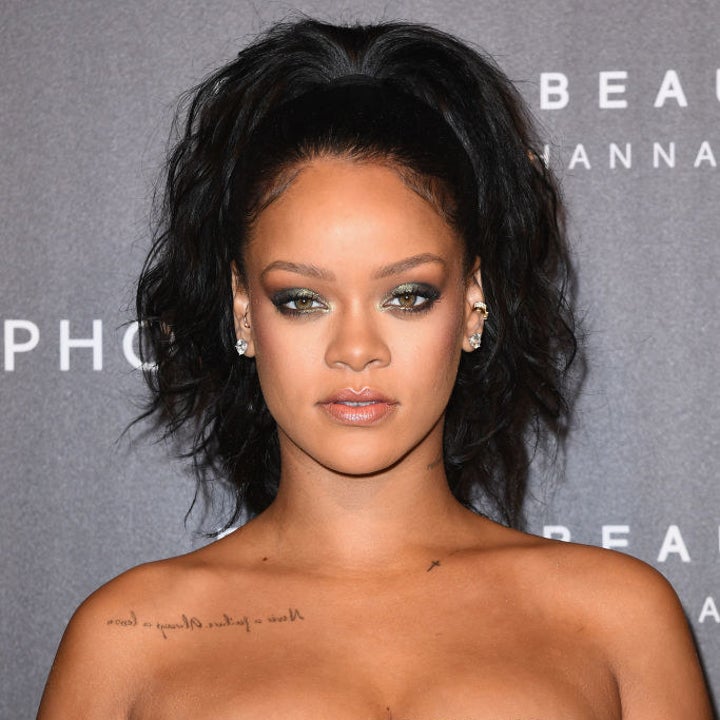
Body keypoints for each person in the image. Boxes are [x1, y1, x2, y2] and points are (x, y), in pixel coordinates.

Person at [38, 18, 712, 719]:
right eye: (302, 299)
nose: (356, 349)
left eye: (407, 296)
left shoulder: (619, 620)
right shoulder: (128, 641)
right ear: (243, 310)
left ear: (473, 302)